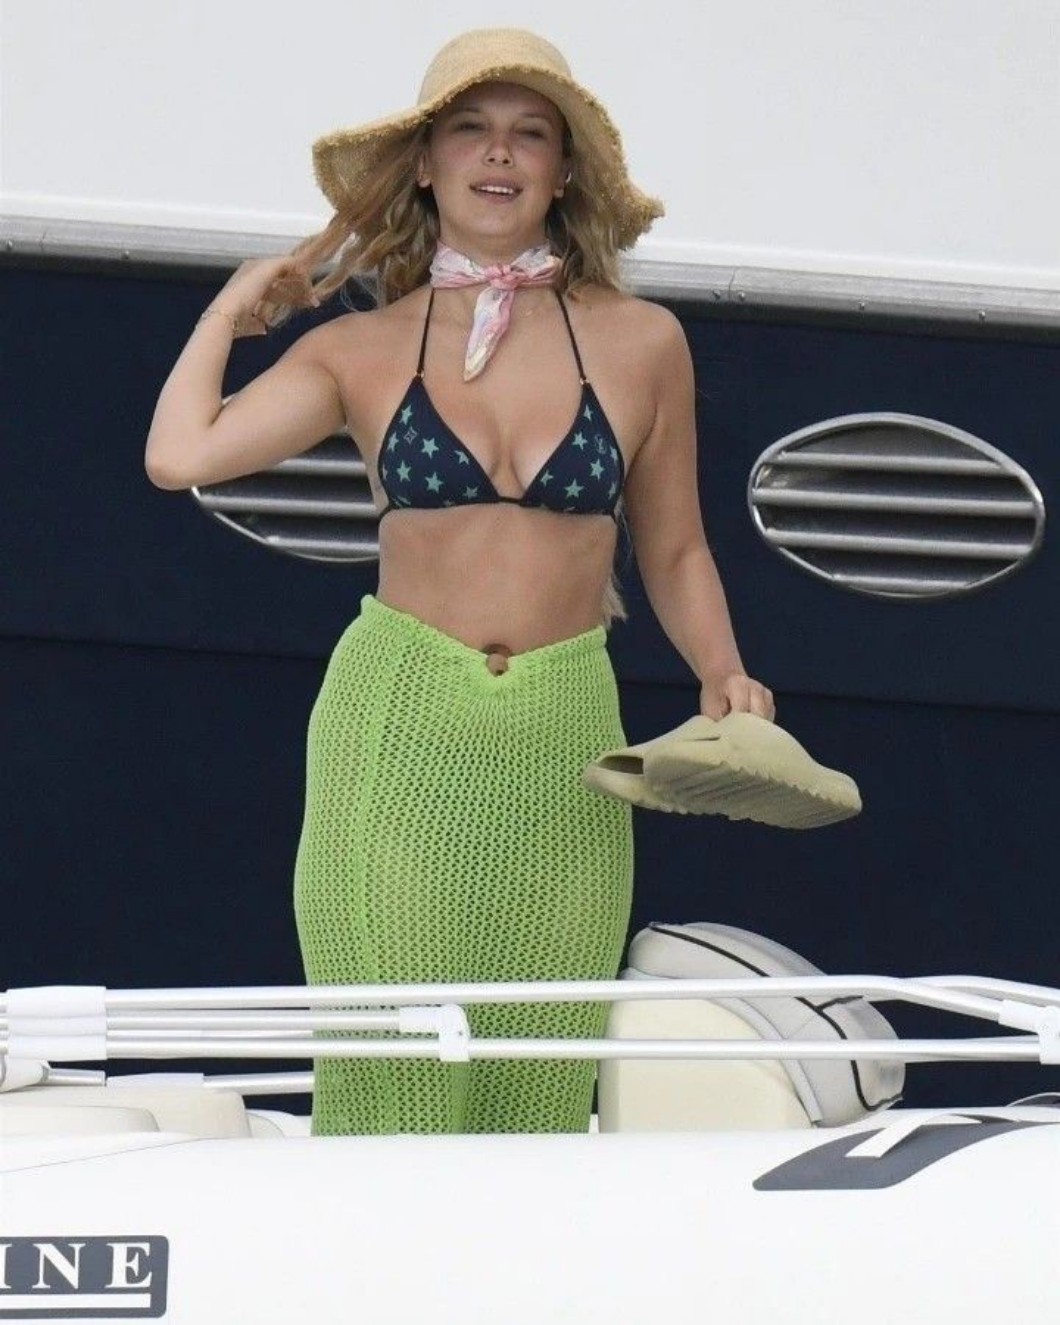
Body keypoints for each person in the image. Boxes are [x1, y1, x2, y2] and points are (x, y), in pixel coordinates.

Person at [144, 28, 774, 1136]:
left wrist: (722, 670)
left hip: (565, 737)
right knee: (395, 1080)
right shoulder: (363, 347)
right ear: (427, 165)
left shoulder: (643, 341)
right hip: (398, 728)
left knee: (540, 1076)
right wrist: (230, 312)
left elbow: (675, 548)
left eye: (530, 134)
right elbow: (179, 454)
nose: (499, 153)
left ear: (563, 171)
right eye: (470, 130)